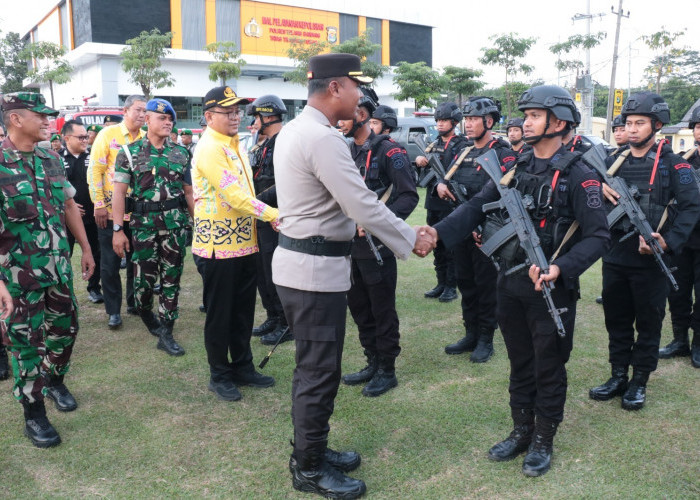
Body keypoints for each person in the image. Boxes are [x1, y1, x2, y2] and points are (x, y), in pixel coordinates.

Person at [421, 85, 610, 477]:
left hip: (551, 288)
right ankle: (521, 430)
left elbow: (598, 236)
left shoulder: (581, 175)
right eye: (526, 115)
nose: (526, 122)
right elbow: (475, 206)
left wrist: (562, 268)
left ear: (559, 123)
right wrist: (438, 233)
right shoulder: (516, 164)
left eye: (535, 116)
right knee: (520, 362)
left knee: (549, 365)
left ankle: (543, 437)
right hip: (508, 283)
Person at [273, 53, 422, 498]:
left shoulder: (299, 130)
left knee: (313, 368)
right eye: (356, 86)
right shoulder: (322, 139)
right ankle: (309, 468)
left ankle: (311, 447)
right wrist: (411, 238)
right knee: (318, 372)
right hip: (313, 271)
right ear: (335, 87)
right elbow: (361, 204)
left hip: (306, 267)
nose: (360, 96)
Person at [589, 92, 700, 409]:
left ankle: (639, 382)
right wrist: (598, 186)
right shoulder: (612, 161)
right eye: (629, 123)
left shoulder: (675, 165)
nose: (633, 129)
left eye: (640, 123)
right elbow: (586, 190)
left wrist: (668, 241)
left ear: (658, 125)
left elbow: (692, 209)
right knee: (617, 321)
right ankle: (618, 375)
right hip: (615, 257)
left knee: (649, 323)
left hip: (653, 260)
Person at [0, 92, 95, 448]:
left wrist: (85, 248)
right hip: (16, 276)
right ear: (15, 119)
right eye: (39, 115)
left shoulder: (50, 157)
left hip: (57, 269)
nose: (47, 121)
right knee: (26, 343)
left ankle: (54, 380)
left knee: (65, 329)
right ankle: (34, 411)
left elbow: (69, 204)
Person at [192, 86, 279, 402]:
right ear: (209, 116)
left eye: (237, 111)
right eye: (228, 112)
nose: (235, 116)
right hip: (217, 247)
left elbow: (246, 193)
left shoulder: (235, 145)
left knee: (243, 311)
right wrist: (271, 214)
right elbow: (235, 195)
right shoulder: (209, 148)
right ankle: (220, 374)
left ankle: (243, 367)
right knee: (220, 314)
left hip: (245, 243)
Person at [338, 87, 418, 397]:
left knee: (382, 308)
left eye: (345, 115)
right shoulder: (348, 150)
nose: (340, 121)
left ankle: (387, 369)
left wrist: (375, 224)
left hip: (378, 246)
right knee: (358, 305)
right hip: (351, 245)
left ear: (362, 114)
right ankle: (371, 360)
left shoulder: (390, 151)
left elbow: (408, 195)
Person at [111, 98, 194, 356]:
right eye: (162, 118)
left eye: (170, 119)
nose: (168, 122)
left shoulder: (181, 153)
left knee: (172, 279)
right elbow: (119, 193)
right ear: (147, 120)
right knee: (144, 282)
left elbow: (189, 192)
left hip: (175, 227)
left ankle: (166, 332)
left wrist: (198, 223)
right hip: (143, 228)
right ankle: (147, 316)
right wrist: (117, 230)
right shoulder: (128, 153)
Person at [441, 97, 516, 362]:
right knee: (466, 282)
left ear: (489, 122)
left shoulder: (503, 153)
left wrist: (486, 226)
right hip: (463, 229)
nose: (468, 124)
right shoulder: (465, 152)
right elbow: (448, 179)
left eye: (474, 120)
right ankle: (470, 333)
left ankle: (486, 338)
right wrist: (443, 186)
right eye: (467, 119)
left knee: (486, 286)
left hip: (489, 233)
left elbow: (506, 195)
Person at [88, 95, 146, 329]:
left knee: (137, 261)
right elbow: (96, 171)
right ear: (125, 110)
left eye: (145, 111)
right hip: (111, 212)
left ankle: (134, 302)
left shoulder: (146, 138)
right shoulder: (107, 135)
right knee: (110, 263)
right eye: (138, 110)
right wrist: (99, 204)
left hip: (140, 212)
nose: (142, 115)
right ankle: (113, 311)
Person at [245, 94, 292, 345]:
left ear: (268, 116)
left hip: (276, 217)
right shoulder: (263, 144)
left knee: (277, 272)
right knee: (262, 271)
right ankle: (273, 316)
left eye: (256, 117)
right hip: (261, 215)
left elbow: (285, 183)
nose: (254, 122)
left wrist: (255, 201)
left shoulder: (284, 142)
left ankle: (287, 323)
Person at [659, 105, 700, 368]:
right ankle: (679, 340)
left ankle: (698, 343)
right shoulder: (684, 160)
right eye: (697, 126)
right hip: (682, 239)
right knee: (678, 291)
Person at [415, 102, 468, 302]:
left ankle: (451, 286)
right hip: (433, 201)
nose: (440, 124)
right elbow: (424, 174)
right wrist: (421, 161)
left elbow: (460, 170)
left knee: (451, 245)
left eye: (444, 120)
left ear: (454, 122)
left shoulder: (462, 145)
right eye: (438, 120)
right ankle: (441, 282)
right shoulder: (432, 143)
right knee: (435, 243)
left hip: (451, 201)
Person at [61, 120, 103, 304]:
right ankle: (65, 292)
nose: (85, 140)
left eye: (86, 136)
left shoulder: (93, 157)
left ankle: (94, 288)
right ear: (67, 138)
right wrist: (65, 206)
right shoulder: (56, 159)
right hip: (67, 219)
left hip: (93, 216)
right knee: (64, 255)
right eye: (81, 137)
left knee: (95, 253)